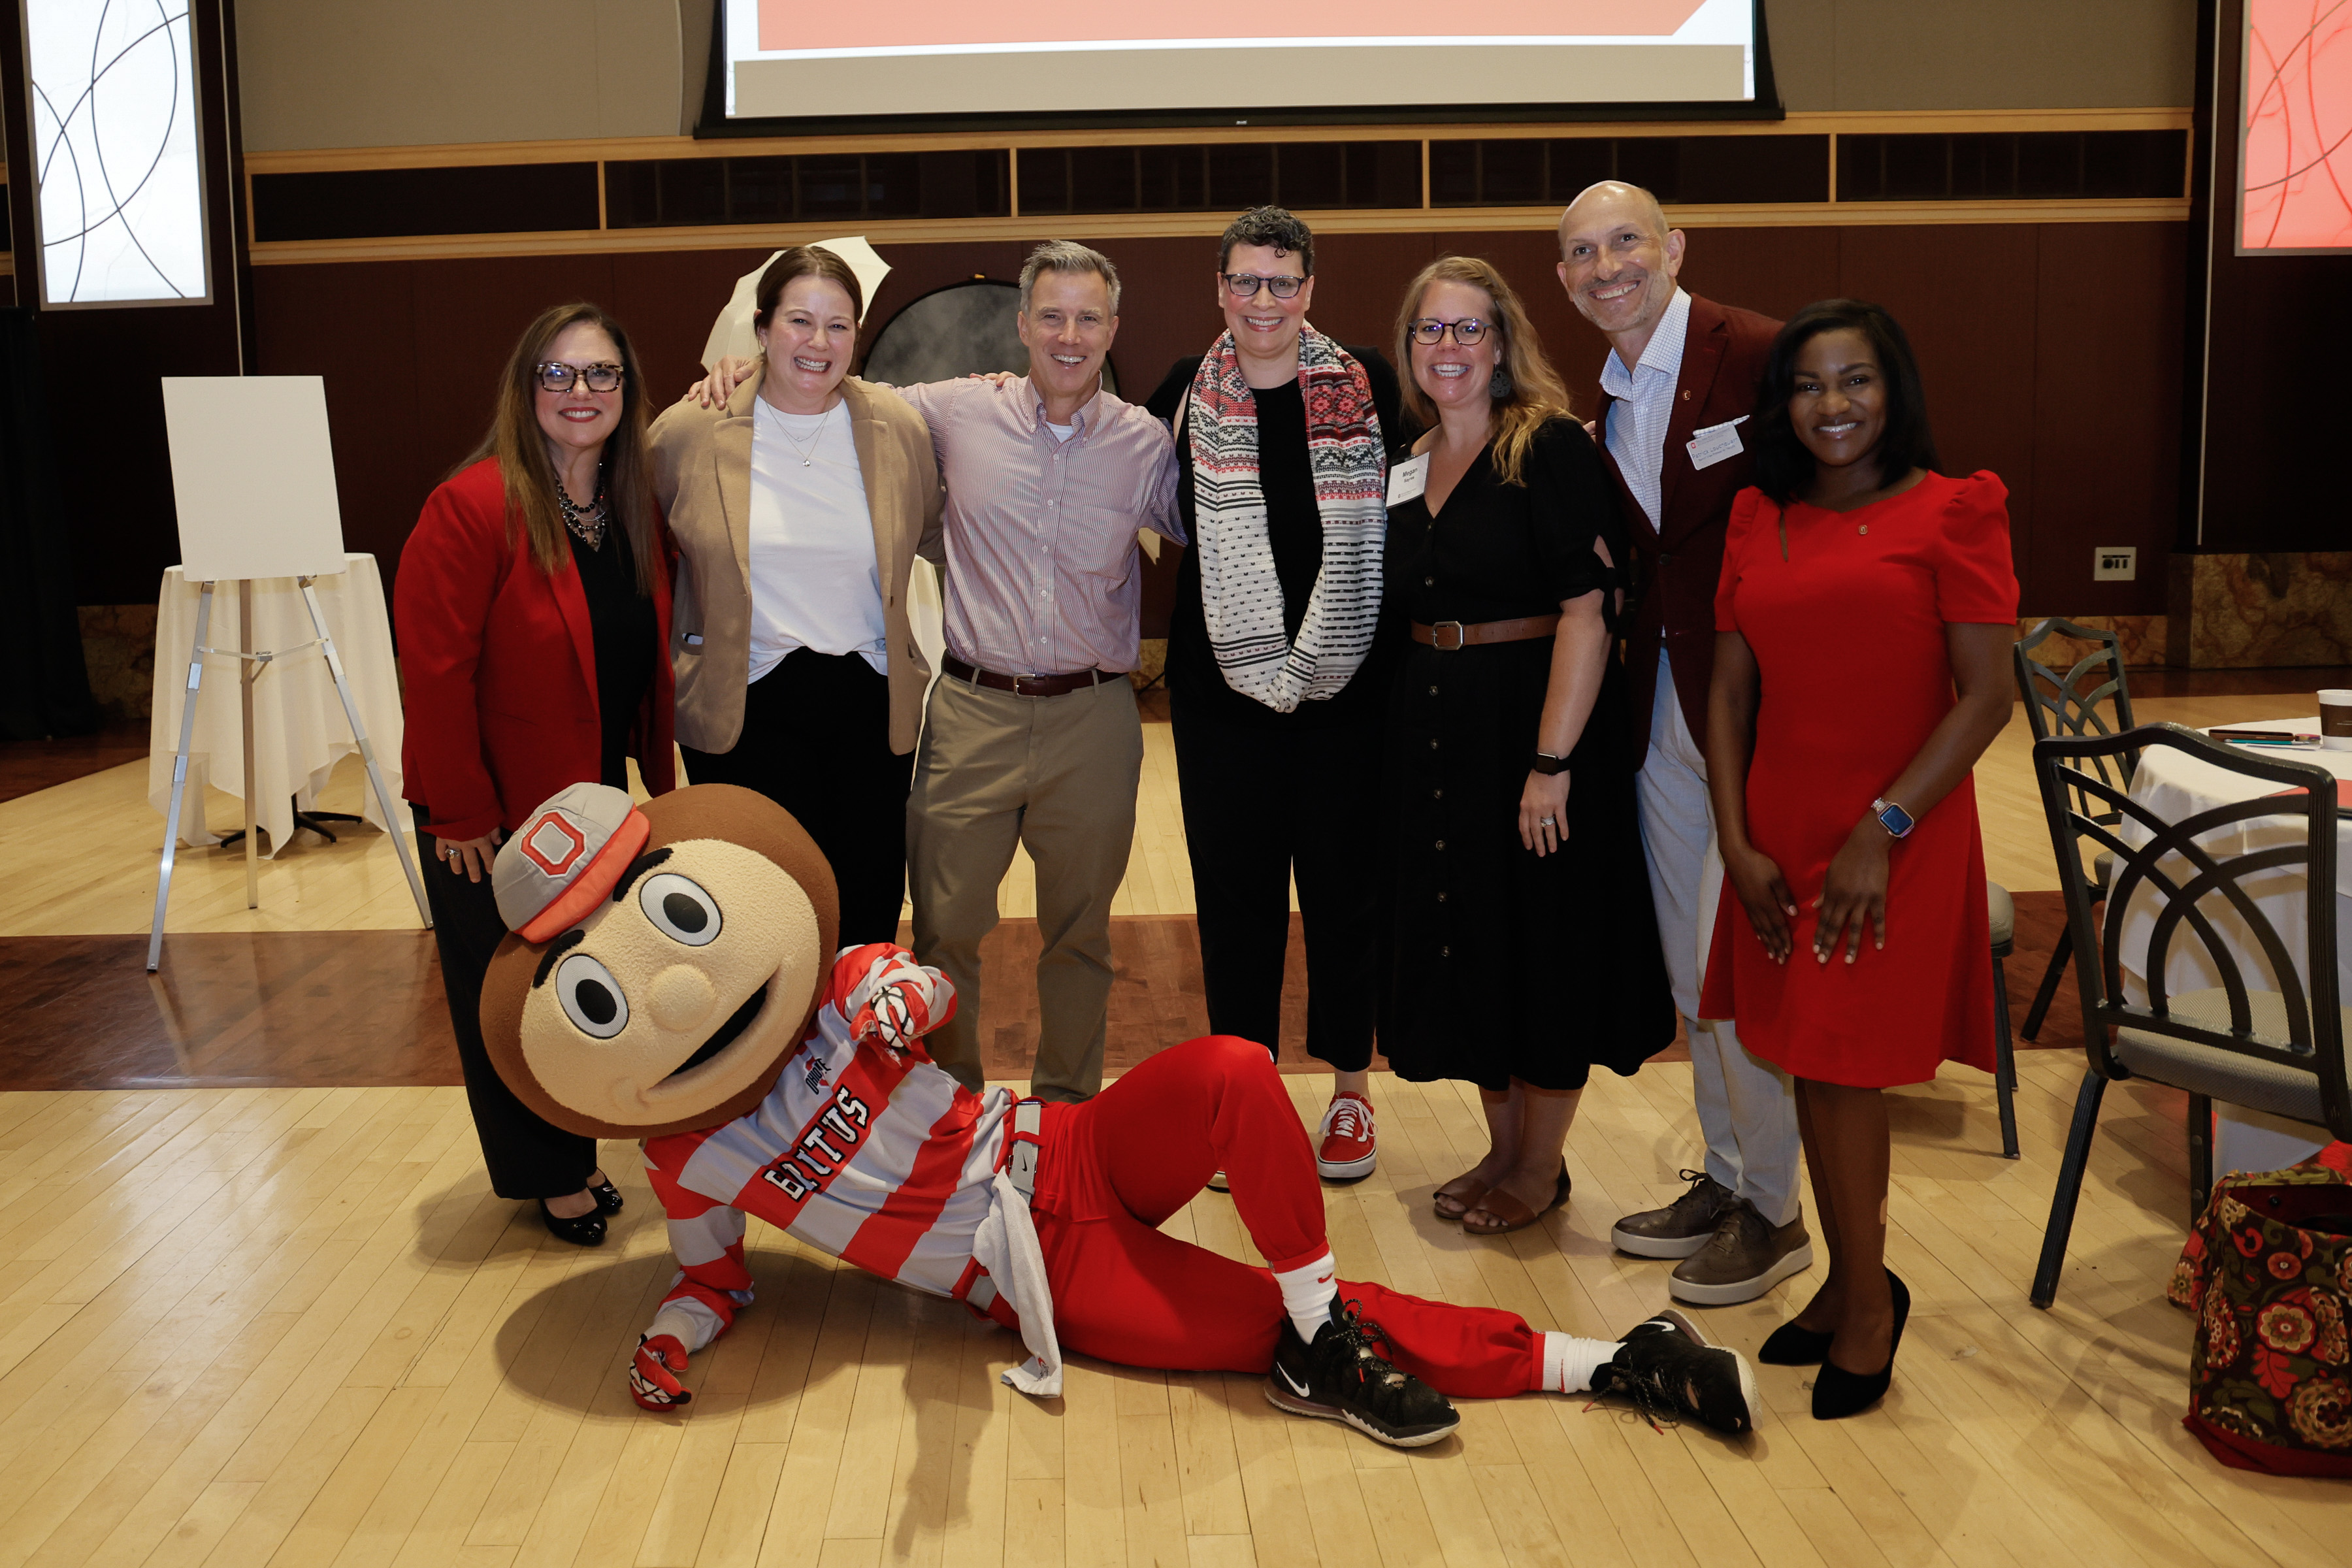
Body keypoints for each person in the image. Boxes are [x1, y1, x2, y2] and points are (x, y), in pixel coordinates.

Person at [1705, 299, 2017, 1419]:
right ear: (1781, 402)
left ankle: (1871, 1303)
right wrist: (1737, 840)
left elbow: (1988, 696)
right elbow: (1730, 694)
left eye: (1857, 381)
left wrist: (1881, 830)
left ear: (1896, 392)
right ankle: (1850, 1284)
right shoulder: (1758, 515)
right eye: (1807, 384)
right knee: (1805, 1058)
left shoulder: (1955, 511)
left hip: (1897, 834)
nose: (1831, 405)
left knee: (1841, 1064)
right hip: (1780, 834)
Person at [1380, 256, 1674, 1235]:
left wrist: (1550, 767)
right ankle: (1501, 1151)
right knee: (1477, 941)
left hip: (1532, 729)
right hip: (1437, 737)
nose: (1449, 348)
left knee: (1543, 942)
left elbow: (1589, 614)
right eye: (1432, 330)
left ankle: (1540, 1168)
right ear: (1410, 345)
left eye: (1469, 329)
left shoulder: (1545, 446)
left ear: (1503, 343)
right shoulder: (1413, 459)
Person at [1557, 180, 1812, 1307]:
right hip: (1657, 702)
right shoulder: (1604, 400)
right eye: (1581, 254)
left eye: (1625, 242)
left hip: (1760, 709)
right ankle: (1727, 1174)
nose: (1606, 266)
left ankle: (1779, 1212)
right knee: (1689, 962)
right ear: (1563, 279)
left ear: (1674, 248)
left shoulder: (1757, 354)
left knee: (1740, 955)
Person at [395, 301, 677, 1245]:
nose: (580, 393)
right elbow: (433, 673)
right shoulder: (475, 504)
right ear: (526, 390)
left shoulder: (628, 508)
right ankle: (547, 1174)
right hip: (494, 811)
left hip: (588, 798)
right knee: (508, 999)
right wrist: (462, 811)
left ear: (628, 393)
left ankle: (573, 1155)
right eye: (557, 374)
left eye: (602, 375)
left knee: (576, 990)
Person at [1142, 207, 1401, 1181]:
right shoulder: (1183, 392)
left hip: (1350, 689)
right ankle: (1237, 1096)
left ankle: (1350, 1096)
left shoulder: (1371, 382)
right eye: (1245, 281)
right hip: (1222, 700)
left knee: (1345, 894)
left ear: (1310, 290)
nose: (1263, 301)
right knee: (1235, 901)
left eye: (1281, 282)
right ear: (1220, 289)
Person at [651, 247, 942, 946]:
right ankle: (765, 1059)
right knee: (759, 923)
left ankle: (853, 1057)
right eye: (800, 322)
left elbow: (933, 530)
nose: (819, 343)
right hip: (743, 705)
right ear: (760, 328)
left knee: (867, 908)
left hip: (870, 704)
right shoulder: (690, 430)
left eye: (839, 326)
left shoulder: (895, 426)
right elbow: (643, 550)